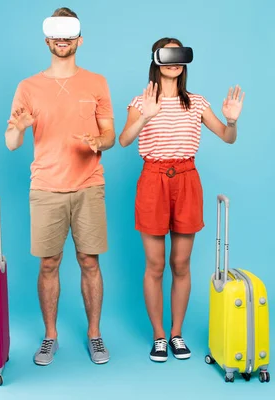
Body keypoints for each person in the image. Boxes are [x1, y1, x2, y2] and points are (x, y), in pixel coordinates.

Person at [119, 38, 244, 362]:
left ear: (185, 61)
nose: (174, 61)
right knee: (156, 265)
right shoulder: (140, 102)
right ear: (156, 60)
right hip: (153, 180)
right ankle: (159, 336)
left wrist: (232, 121)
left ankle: (177, 334)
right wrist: (146, 115)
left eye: (180, 55)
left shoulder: (197, 102)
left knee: (180, 264)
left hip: (187, 180)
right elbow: (123, 140)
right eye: (168, 54)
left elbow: (227, 138)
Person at [5, 7, 115, 366]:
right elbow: (11, 142)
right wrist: (18, 128)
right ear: (47, 39)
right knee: (49, 263)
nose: (62, 39)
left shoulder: (97, 82)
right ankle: (50, 336)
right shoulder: (28, 86)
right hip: (46, 187)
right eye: (56, 33)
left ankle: (94, 335)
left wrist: (100, 141)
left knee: (89, 261)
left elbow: (110, 134)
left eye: (69, 33)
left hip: (88, 185)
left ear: (79, 39)